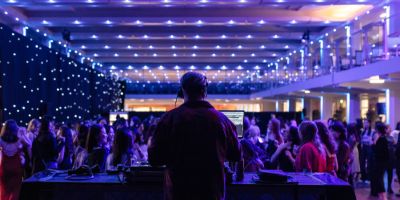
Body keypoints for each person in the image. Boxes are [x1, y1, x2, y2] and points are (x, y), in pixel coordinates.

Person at [148, 72, 241, 200]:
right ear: (205, 91)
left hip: (178, 194)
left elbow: (154, 159)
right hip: (212, 194)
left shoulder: (168, 119)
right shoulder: (223, 121)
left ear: (182, 91)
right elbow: (236, 154)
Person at [0, 120, 29, 200]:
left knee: (4, 190)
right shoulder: (20, 139)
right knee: (15, 190)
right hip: (16, 167)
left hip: (4, 167)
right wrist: (23, 134)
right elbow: (29, 144)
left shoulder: (1, 140)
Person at [370, 122, 389, 200]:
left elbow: (378, 151)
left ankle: (384, 197)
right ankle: (381, 196)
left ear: (378, 130)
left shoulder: (382, 139)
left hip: (380, 162)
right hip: (380, 162)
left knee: (379, 179)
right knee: (378, 179)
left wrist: (373, 143)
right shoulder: (382, 138)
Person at [385, 124, 396, 194]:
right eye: (388, 128)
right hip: (385, 157)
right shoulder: (383, 137)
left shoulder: (391, 137)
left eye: (390, 128)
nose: (390, 129)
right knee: (383, 173)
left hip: (391, 157)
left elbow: (394, 144)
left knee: (390, 173)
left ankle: (389, 187)